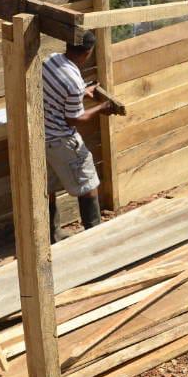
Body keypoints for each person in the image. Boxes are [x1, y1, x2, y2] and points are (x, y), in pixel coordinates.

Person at [42, 31, 116, 242]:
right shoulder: (73, 82)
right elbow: (75, 119)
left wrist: (84, 91)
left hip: (41, 138)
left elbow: (56, 93)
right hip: (62, 140)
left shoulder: (51, 60)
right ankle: (95, 236)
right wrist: (102, 107)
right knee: (88, 183)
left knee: (48, 187)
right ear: (88, 52)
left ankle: (52, 234)